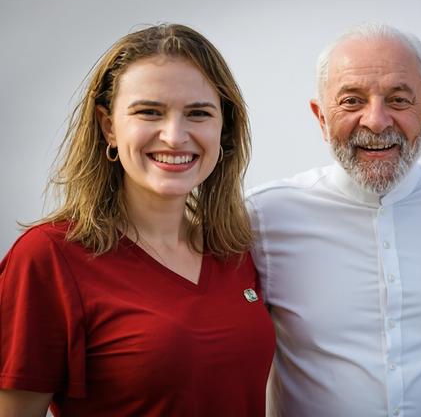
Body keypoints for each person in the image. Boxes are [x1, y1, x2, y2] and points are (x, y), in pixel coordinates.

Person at [0, 24, 275, 416]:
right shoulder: (48, 257)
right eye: (150, 112)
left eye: (198, 113)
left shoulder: (234, 250)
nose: (175, 135)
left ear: (223, 129)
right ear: (108, 126)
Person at [246, 23, 421, 417]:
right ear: (320, 117)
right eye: (352, 101)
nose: (376, 120)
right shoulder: (263, 218)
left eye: (399, 99)